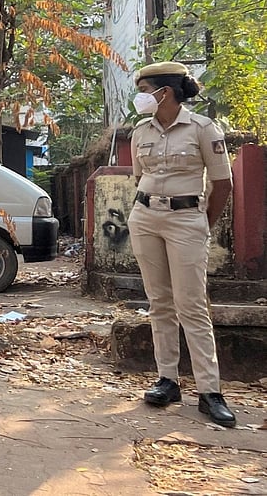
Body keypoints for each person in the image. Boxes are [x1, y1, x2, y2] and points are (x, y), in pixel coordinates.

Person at [127, 61, 236, 427]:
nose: (140, 97)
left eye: (144, 89)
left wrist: (200, 224)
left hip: (186, 219)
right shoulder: (140, 131)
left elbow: (222, 184)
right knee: (159, 302)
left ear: (165, 92)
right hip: (145, 218)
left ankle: (209, 391)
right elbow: (138, 177)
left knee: (191, 305)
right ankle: (167, 380)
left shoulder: (203, 129)